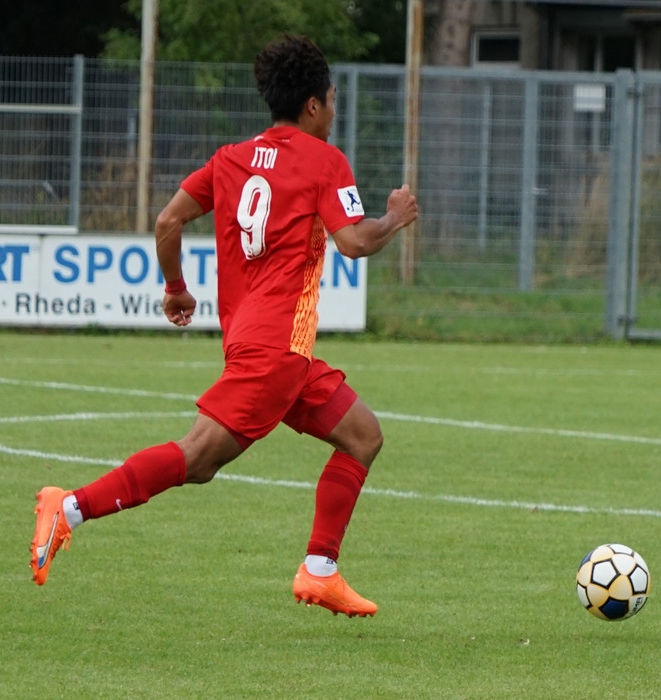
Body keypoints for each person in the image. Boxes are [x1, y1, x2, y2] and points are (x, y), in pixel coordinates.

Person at [30, 34, 418, 617]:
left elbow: (168, 221)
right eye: (333, 101)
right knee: (197, 460)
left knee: (362, 436)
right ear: (313, 104)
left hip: (264, 344)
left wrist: (175, 288)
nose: (335, 113)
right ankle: (68, 507)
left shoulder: (231, 159)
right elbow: (354, 242)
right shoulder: (324, 160)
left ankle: (320, 570)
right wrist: (394, 217)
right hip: (276, 351)